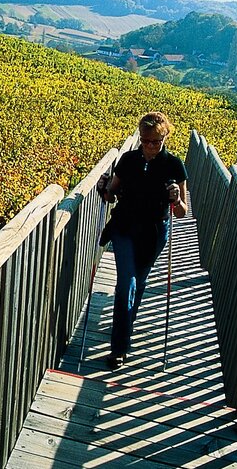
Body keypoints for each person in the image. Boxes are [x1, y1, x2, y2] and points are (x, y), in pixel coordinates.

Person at [95, 112, 188, 370]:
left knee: (140, 282)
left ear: (165, 137)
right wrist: (104, 187)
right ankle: (119, 349)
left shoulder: (174, 166)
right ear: (140, 137)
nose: (149, 147)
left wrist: (176, 199)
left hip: (155, 233)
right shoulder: (128, 160)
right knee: (127, 283)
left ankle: (123, 331)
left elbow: (182, 212)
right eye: (146, 141)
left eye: (155, 141)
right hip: (124, 227)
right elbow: (111, 195)